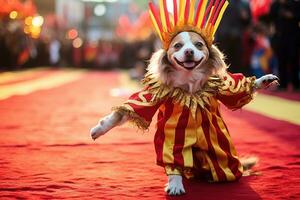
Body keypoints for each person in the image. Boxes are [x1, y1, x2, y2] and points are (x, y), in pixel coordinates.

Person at [270, 0, 300, 90]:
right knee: (281, 61)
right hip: (280, 37)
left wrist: (291, 15)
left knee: (294, 60)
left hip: (294, 37)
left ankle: (296, 84)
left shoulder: (295, 4)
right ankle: (282, 84)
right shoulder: (275, 5)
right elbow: (271, 18)